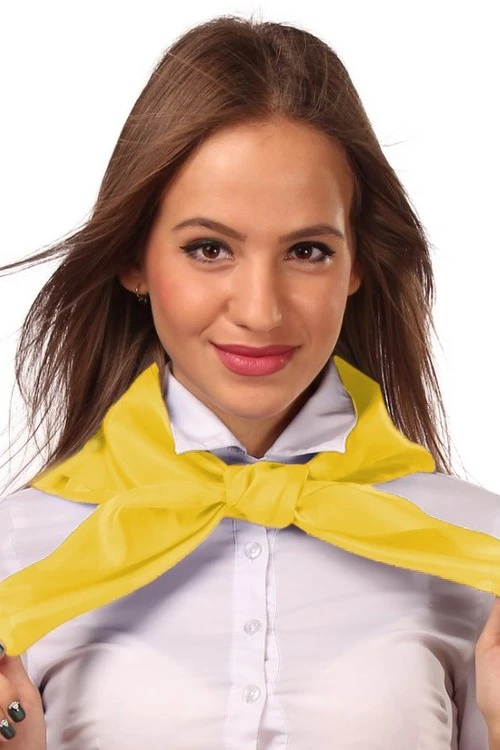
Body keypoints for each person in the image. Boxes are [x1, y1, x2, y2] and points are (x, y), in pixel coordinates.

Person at [0, 13, 499, 749]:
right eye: (209, 248)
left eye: (307, 250)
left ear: (357, 264)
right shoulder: (17, 552)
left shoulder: (477, 548)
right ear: (134, 260)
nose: (261, 311)